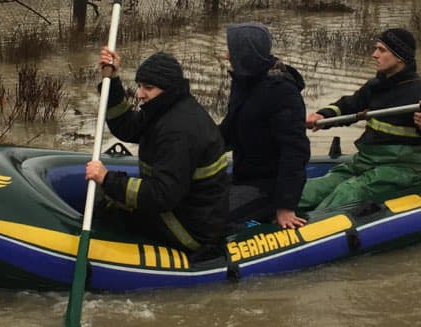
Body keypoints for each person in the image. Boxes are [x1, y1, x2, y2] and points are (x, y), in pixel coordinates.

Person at [84, 48, 229, 257]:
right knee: (102, 193)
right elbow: (127, 127)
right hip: (183, 210)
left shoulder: (179, 131)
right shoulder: (165, 109)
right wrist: (113, 80)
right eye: (140, 86)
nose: (140, 94)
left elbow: (162, 195)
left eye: (148, 88)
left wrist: (108, 179)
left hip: (190, 229)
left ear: (167, 89)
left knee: (106, 203)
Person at [297, 27, 421, 215]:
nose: (374, 55)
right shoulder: (375, 86)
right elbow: (350, 105)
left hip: (402, 169)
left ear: (399, 57)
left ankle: (310, 230)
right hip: (365, 162)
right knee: (311, 190)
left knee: (348, 191)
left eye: (381, 50)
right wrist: (323, 116)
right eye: (376, 49)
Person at [217, 22, 310, 229]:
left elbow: (295, 151)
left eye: (231, 51)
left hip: (267, 188)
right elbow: (229, 130)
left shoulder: (282, 92)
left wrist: (285, 206)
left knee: (210, 217)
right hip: (243, 176)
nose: (226, 55)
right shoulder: (243, 82)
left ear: (245, 54)